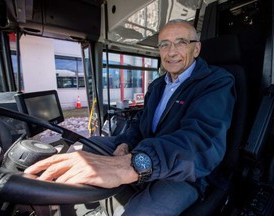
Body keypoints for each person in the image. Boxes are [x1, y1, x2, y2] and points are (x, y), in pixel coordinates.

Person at [25, 19, 236, 215]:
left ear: (196, 48)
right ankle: (104, 199)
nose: (171, 52)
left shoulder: (215, 82)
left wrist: (131, 164)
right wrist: (125, 144)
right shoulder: (157, 85)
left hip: (186, 172)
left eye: (180, 42)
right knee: (90, 144)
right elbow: (140, 122)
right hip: (149, 153)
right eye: (164, 44)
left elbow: (200, 142)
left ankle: (135, 199)